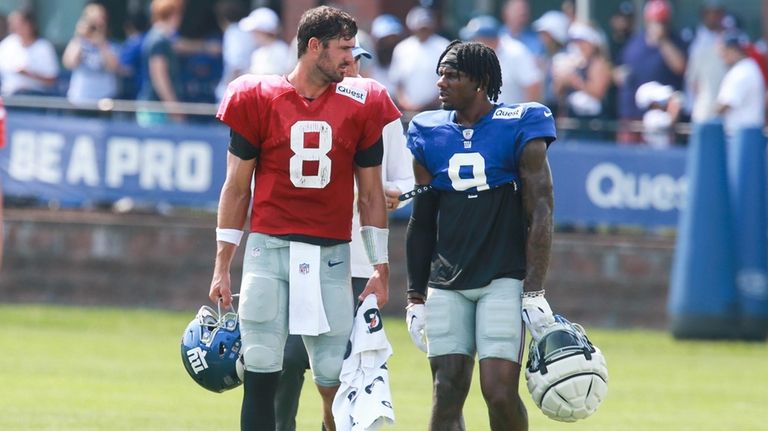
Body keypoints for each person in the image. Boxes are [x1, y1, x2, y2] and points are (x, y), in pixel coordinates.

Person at [209, 6, 400, 431]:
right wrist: (222, 264)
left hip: (331, 253)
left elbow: (370, 194)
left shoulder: (364, 101)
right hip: (268, 250)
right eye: (344, 48)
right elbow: (237, 188)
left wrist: (380, 266)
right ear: (314, 47)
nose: (351, 59)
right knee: (260, 366)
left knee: (334, 375)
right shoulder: (256, 95)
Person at [404, 40, 557, 431]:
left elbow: (541, 208)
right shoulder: (428, 130)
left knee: (499, 391)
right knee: (447, 387)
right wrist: (415, 295)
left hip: (502, 277)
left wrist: (534, 289)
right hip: (447, 280)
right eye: (440, 72)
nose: (441, 81)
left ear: (481, 81)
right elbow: (421, 219)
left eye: (452, 74)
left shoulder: (521, 122)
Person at [273, 39, 413, 431]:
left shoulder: (378, 108)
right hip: (301, 252)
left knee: (339, 374)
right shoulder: (297, 107)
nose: (350, 67)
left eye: (357, 60)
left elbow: (402, 182)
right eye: (344, 59)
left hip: (356, 261)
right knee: (285, 362)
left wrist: (390, 196)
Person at [389, 6, 449, 112]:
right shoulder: (402, 48)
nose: (423, 30)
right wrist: (405, 103)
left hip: (437, 109)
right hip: (409, 111)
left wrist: (429, 104)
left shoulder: (443, 46)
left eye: (425, 27)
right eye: (419, 27)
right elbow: (397, 82)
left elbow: (449, 81)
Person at [137, 0, 185, 126]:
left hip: (157, 108)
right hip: (156, 110)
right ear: (174, 15)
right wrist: (173, 107)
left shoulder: (161, 38)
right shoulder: (158, 40)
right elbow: (159, 77)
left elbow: (180, 45)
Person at [62, 2, 120, 106]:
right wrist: (80, 36)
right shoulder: (77, 42)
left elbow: (114, 67)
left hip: (104, 100)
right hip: (79, 99)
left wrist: (101, 44)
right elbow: (69, 63)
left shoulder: (111, 44)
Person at [716, 31, 765, 137]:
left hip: (739, 136)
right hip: (749, 134)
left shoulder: (740, 72)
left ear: (734, 50)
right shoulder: (751, 66)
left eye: (724, 51)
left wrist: (706, 117)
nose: (721, 56)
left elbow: (724, 105)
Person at [0, 8, 59, 97]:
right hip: (8, 96)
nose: (16, 27)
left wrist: (28, 74)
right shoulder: (7, 44)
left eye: (20, 24)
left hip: (37, 97)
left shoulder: (44, 47)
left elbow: (52, 80)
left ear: (31, 25)